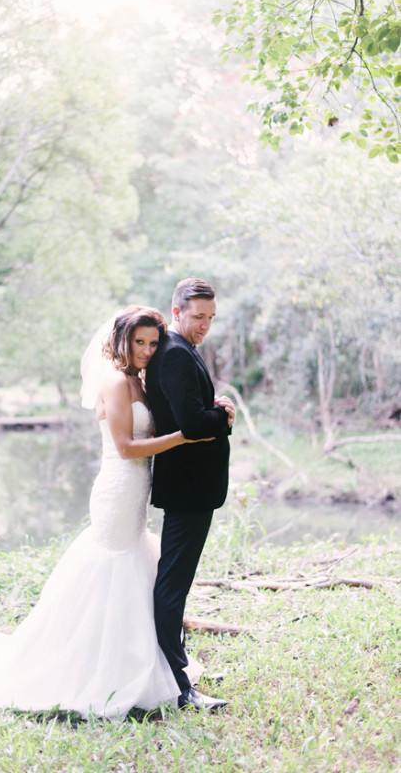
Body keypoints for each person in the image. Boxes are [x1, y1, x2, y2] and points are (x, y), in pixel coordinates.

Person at [0, 306, 208, 719]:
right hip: (118, 488)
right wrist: (182, 438)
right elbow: (126, 447)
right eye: (140, 342)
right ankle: (95, 667)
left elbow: (152, 428)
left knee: (134, 566)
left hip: (138, 491)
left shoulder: (140, 380)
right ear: (122, 340)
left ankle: (134, 659)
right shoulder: (117, 382)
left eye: (153, 343)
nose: (147, 350)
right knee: (113, 567)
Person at [145, 278, 235, 712]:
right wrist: (223, 414)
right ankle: (179, 686)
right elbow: (194, 425)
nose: (205, 325)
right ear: (176, 312)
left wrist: (212, 410)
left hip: (191, 486)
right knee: (172, 586)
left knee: (173, 582)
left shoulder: (179, 350)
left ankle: (176, 669)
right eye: (198, 317)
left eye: (211, 318)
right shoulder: (176, 354)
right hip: (188, 488)